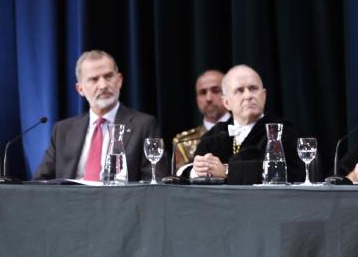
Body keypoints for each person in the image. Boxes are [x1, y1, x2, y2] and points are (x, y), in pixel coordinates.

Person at [34, 50, 164, 181]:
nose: (103, 85)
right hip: (71, 200)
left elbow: (154, 181)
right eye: (94, 79)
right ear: (80, 89)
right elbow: (41, 181)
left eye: (108, 76)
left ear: (119, 80)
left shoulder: (144, 125)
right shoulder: (62, 130)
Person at [192, 64, 303, 184]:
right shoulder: (216, 133)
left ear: (264, 95)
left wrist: (227, 171)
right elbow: (187, 171)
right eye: (239, 90)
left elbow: (288, 171)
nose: (248, 95)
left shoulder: (280, 129)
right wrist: (197, 169)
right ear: (226, 102)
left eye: (253, 88)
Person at [172, 70, 231, 171]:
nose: (208, 98)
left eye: (216, 90)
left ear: (228, 94)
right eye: (203, 92)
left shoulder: (241, 131)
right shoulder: (182, 142)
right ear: (197, 98)